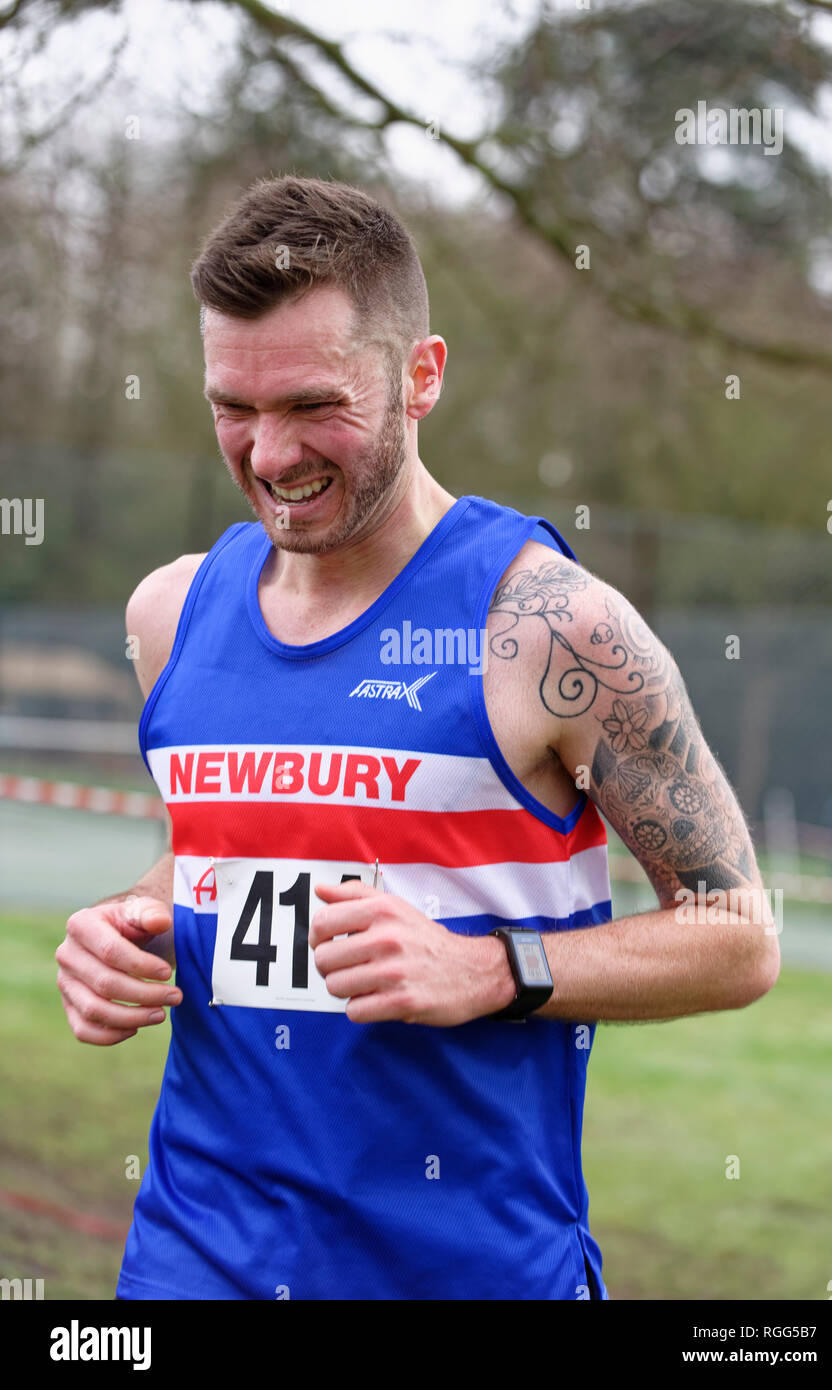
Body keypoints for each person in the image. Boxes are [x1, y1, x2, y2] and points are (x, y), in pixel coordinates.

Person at [55, 174, 779, 1301]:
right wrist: (129, 931)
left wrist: (491, 969)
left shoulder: (548, 627)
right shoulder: (174, 612)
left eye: (312, 404)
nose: (270, 453)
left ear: (420, 375)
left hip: (469, 1273)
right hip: (192, 1265)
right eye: (233, 408)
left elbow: (739, 936)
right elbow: (215, 852)